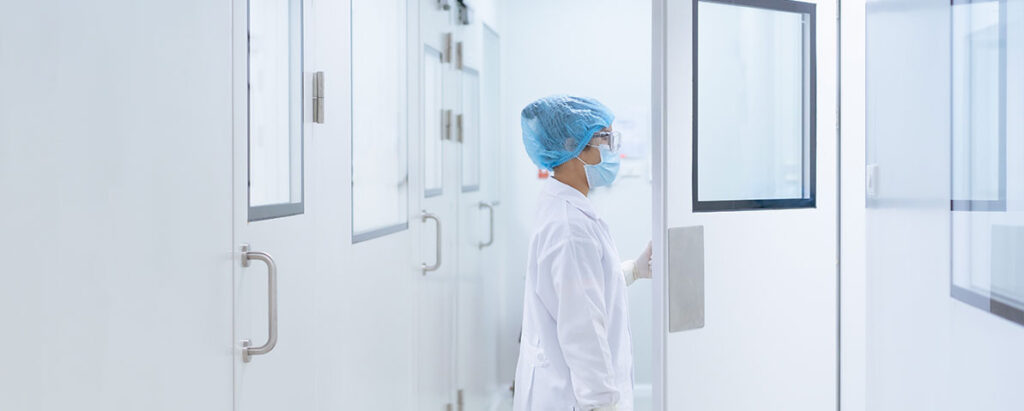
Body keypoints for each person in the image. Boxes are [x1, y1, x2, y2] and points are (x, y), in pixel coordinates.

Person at [514, 95, 652, 411]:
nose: (612, 150)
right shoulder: (569, 226)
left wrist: (632, 270)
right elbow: (583, 331)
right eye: (605, 138)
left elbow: (577, 290)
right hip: (577, 400)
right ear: (572, 144)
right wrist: (603, 404)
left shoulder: (561, 204)